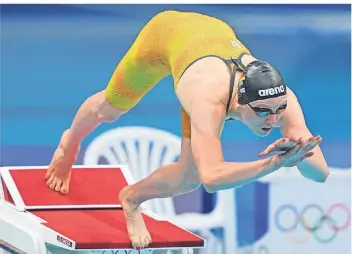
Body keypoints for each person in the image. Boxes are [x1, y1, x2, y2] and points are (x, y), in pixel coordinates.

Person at [45, 10, 330, 249]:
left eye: (278, 112)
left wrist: (299, 151)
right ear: (240, 102)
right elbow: (213, 178)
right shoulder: (209, 99)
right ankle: (69, 143)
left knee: (187, 177)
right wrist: (276, 163)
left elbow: (321, 174)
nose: (272, 121)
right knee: (110, 108)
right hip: (167, 36)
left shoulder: (280, 99)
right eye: (263, 113)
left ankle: (130, 198)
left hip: (213, 39)